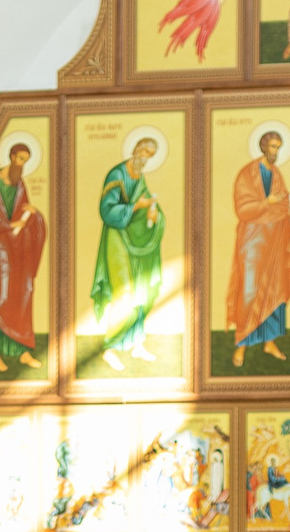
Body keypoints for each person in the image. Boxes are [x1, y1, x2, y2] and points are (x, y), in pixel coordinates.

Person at [226, 126, 290, 367]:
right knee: (250, 291)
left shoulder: (277, 174)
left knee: (274, 291)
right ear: (263, 147)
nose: (275, 152)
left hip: (274, 242)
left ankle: (269, 341)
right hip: (253, 240)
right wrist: (265, 202)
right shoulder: (248, 174)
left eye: (278, 148)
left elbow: (283, 201)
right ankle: (241, 343)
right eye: (272, 147)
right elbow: (243, 208)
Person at [91, 132, 165, 372]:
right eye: (143, 152)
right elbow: (107, 211)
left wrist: (153, 213)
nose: (145, 158)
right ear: (135, 149)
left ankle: (136, 343)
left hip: (134, 239)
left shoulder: (139, 177)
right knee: (124, 293)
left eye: (150, 155)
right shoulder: (117, 175)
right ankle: (110, 348)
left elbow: (144, 203)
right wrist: (137, 206)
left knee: (142, 291)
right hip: (116, 239)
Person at [0, 139, 46, 373]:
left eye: (26, 161)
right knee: (3, 295)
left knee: (24, 291)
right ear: (11, 157)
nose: (22, 164)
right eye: (20, 159)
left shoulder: (19, 185)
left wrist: (32, 214)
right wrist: (8, 225)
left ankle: (22, 351)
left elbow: (23, 214)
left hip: (18, 248)